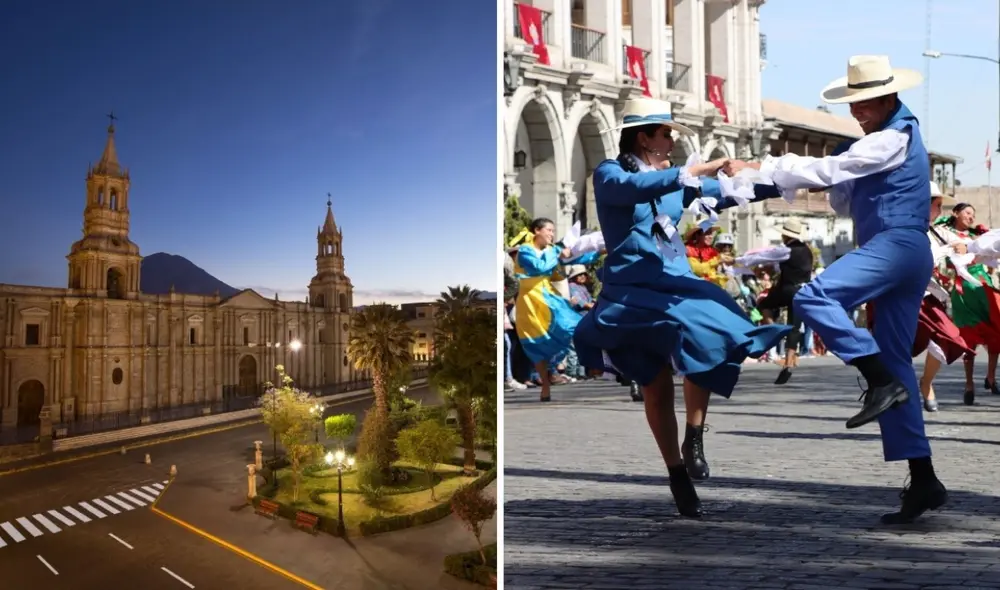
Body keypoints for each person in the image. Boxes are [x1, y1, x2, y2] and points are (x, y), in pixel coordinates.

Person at [724, 55, 946, 524]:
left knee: (812, 296)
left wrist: (764, 166)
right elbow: (838, 187)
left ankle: (877, 378)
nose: (855, 111)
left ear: (888, 98)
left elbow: (831, 172)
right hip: (903, 251)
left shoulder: (893, 137)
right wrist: (766, 177)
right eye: (853, 103)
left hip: (896, 246)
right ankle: (922, 476)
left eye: (862, 103)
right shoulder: (880, 141)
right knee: (896, 363)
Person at [573, 97, 791, 517]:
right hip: (630, 289)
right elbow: (634, 190)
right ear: (644, 137)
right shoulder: (610, 172)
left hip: (673, 280)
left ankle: (694, 434)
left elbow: (720, 193)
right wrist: (692, 170)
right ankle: (675, 474)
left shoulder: (672, 178)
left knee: (709, 335)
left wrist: (775, 178)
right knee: (654, 383)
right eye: (666, 133)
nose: (672, 140)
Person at [867, 182, 973, 412]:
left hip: (928, 298)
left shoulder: (937, 231)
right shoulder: (902, 229)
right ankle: (892, 390)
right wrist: (945, 251)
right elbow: (913, 259)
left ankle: (925, 383)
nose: (940, 211)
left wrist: (971, 247)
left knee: (945, 342)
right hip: (901, 297)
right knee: (895, 347)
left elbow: (964, 244)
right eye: (937, 205)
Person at [932, 202, 1000, 405]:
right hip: (963, 288)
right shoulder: (944, 233)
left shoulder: (977, 236)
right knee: (967, 336)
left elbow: (989, 252)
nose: (971, 217)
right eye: (967, 212)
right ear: (955, 213)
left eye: (973, 213)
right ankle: (969, 384)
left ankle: (991, 377)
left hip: (983, 286)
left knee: (995, 331)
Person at [511, 218, 580, 402]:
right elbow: (539, 267)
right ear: (537, 231)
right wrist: (557, 254)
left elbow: (556, 270)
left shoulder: (550, 251)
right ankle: (546, 384)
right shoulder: (525, 251)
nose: (552, 234)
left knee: (571, 326)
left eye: (553, 230)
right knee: (535, 342)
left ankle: (553, 371)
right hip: (530, 300)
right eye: (549, 230)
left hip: (549, 298)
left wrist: (595, 250)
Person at [755, 219, 814, 385]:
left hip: (788, 288)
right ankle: (788, 363)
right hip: (804, 291)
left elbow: (769, 261)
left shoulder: (786, 250)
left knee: (764, 304)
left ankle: (774, 329)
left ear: (785, 235)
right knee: (794, 326)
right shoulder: (808, 251)